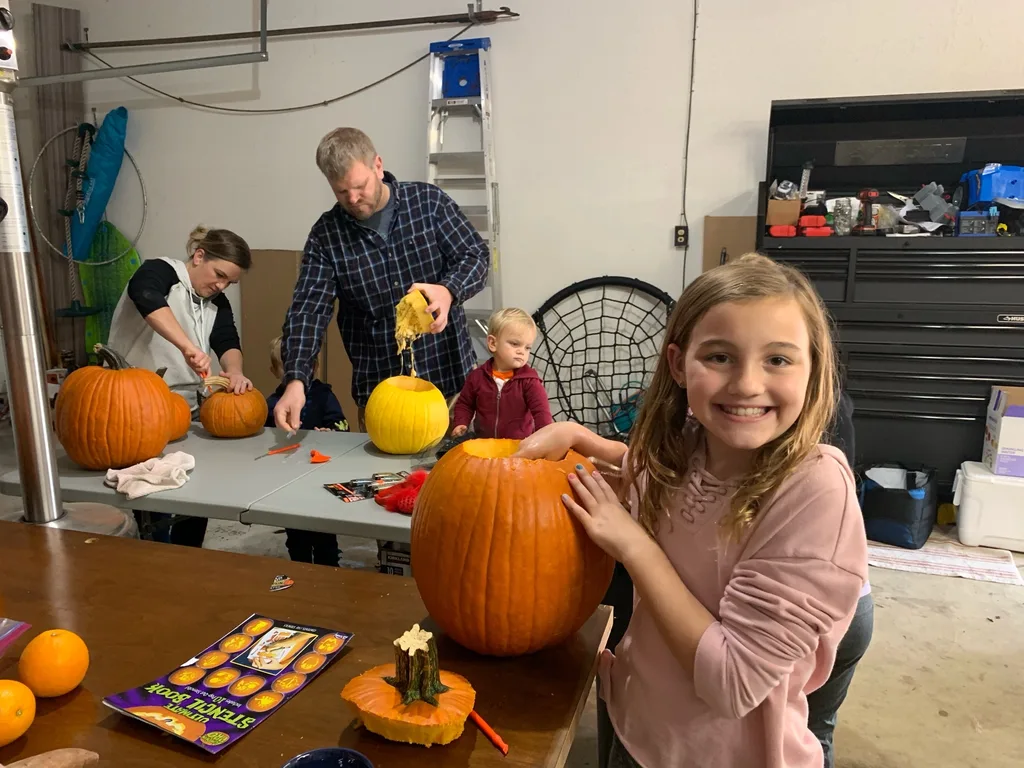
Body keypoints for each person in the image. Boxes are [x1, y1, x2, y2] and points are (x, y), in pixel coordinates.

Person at [514, 253, 869, 768]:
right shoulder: (691, 442)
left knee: (810, 719)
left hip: (723, 753)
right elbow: (664, 473)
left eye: (778, 359)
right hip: (642, 728)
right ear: (679, 365)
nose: (747, 384)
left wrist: (634, 545)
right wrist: (581, 438)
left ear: (813, 366)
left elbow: (733, 683)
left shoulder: (815, 488)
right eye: (720, 357)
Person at [274, 127, 489, 434]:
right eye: (340, 191)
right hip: (381, 393)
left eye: (359, 186)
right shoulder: (326, 235)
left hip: (452, 387)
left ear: (377, 165)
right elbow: (308, 311)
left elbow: (476, 256)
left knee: (456, 475)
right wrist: (296, 381)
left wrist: (448, 290)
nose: (353, 198)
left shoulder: (428, 203)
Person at [107, 225, 254, 547]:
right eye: (219, 274)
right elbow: (145, 297)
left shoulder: (216, 302)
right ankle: (156, 555)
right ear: (198, 255)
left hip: (186, 408)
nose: (221, 285)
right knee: (154, 497)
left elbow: (227, 340)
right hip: (135, 408)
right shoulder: (160, 272)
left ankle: (188, 553)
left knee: (196, 492)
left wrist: (234, 372)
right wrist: (188, 347)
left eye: (230, 281)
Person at [265, 336, 345, 566]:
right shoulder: (272, 404)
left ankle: (329, 569)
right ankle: (300, 569)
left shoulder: (325, 396)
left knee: (324, 532)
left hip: (321, 475)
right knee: (296, 533)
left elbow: (342, 424)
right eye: (287, 369)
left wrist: (330, 431)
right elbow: (265, 438)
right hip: (288, 478)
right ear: (274, 371)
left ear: (315, 367)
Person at [451, 308, 553, 440]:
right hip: (484, 445)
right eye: (515, 344)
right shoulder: (477, 377)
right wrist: (460, 423)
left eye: (527, 347)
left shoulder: (530, 382)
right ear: (493, 343)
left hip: (518, 447)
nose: (522, 351)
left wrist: (544, 440)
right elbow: (465, 404)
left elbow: (542, 414)